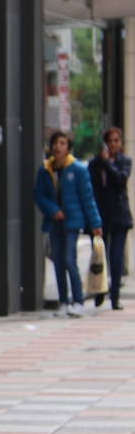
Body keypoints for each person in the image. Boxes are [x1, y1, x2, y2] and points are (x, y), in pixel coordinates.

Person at [34, 130, 103, 317]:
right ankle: (63, 301)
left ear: (68, 148)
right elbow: (39, 195)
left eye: (63, 143)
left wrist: (96, 223)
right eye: (56, 143)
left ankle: (78, 301)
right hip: (54, 221)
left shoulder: (78, 169)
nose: (58, 147)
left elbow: (88, 198)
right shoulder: (45, 170)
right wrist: (53, 210)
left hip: (73, 221)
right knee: (58, 262)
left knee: (69, 260)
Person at [89, 126, 132, 310]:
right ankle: (99, 290)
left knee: (116, 257)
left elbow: (120, 180)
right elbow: (91, 184)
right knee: (99, 256)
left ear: (120, 143)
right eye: (110, 141)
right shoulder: (95, 162)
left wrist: (108, 164)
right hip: (100, 215)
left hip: (120, 216)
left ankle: (115, 297)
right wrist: (102, 162)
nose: (113, 144)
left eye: (116, 141)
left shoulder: (125, 161)